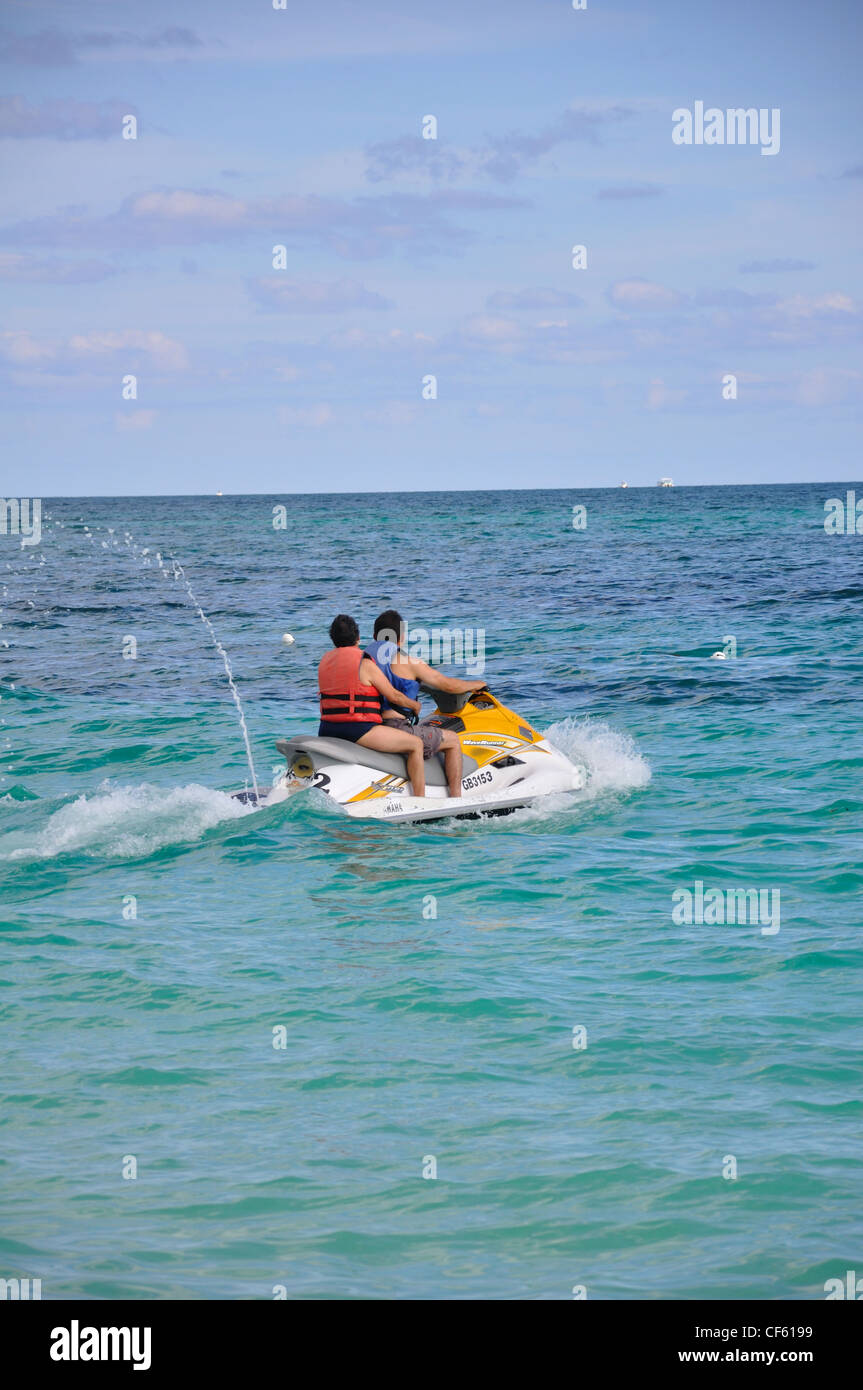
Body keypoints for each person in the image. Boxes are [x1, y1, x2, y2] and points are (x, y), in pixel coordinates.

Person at [365, 609, 487, 798]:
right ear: (401, 638)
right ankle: (456, 799)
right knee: (453, 740)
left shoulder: (365, 660)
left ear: (375, 636)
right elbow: (447, 685)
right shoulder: (408, 662)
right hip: (397, 727)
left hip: (372, 727)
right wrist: (475, 684)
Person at [318, 614, 426, 797]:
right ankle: (421, 801)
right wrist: (414, 705)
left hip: (327, 728)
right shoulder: (365, 662)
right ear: (358, 638)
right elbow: (394, 695)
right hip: (358, 729)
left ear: (333, 639)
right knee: (415, 744)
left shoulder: (324, 661)